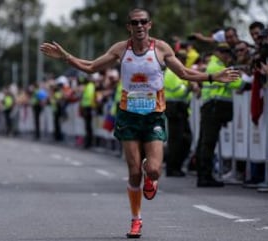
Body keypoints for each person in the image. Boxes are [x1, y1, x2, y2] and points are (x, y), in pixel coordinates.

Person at [40, 8, 239, 238]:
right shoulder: (121, 49)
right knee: (134, 174)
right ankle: (136, 220)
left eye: (143, 21)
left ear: (150, 24)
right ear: (129, 27)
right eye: (135, 22)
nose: (140, 26)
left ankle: (150, 175)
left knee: (153, 170)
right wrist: (65, 57)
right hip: (128, 116)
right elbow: (92, 66)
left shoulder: (161, 48)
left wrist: (213, 77)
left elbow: (184, 72)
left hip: (154, 115)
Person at [195, 43, 242, 188]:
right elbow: (237, 84)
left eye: (228, 52)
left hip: (210, 107)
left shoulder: (214, 64)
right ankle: (205, 177)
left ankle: (204, 175)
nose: (227, 55)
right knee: (208, 143)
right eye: (224, 52)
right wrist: (240, 75)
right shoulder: (218, 67)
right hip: (213, 108)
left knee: (205, 142)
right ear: (217, 52)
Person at [163, 49, 199, 177]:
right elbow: (178, 91)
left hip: (180, 109)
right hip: (175, 108)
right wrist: (190, 87)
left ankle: (175, 166)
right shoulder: (172, 73)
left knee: (183, 139)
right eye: (182, 59)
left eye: (184, 59)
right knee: (177, 140)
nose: (183, 62)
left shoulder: (177, 72)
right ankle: (172, 167)